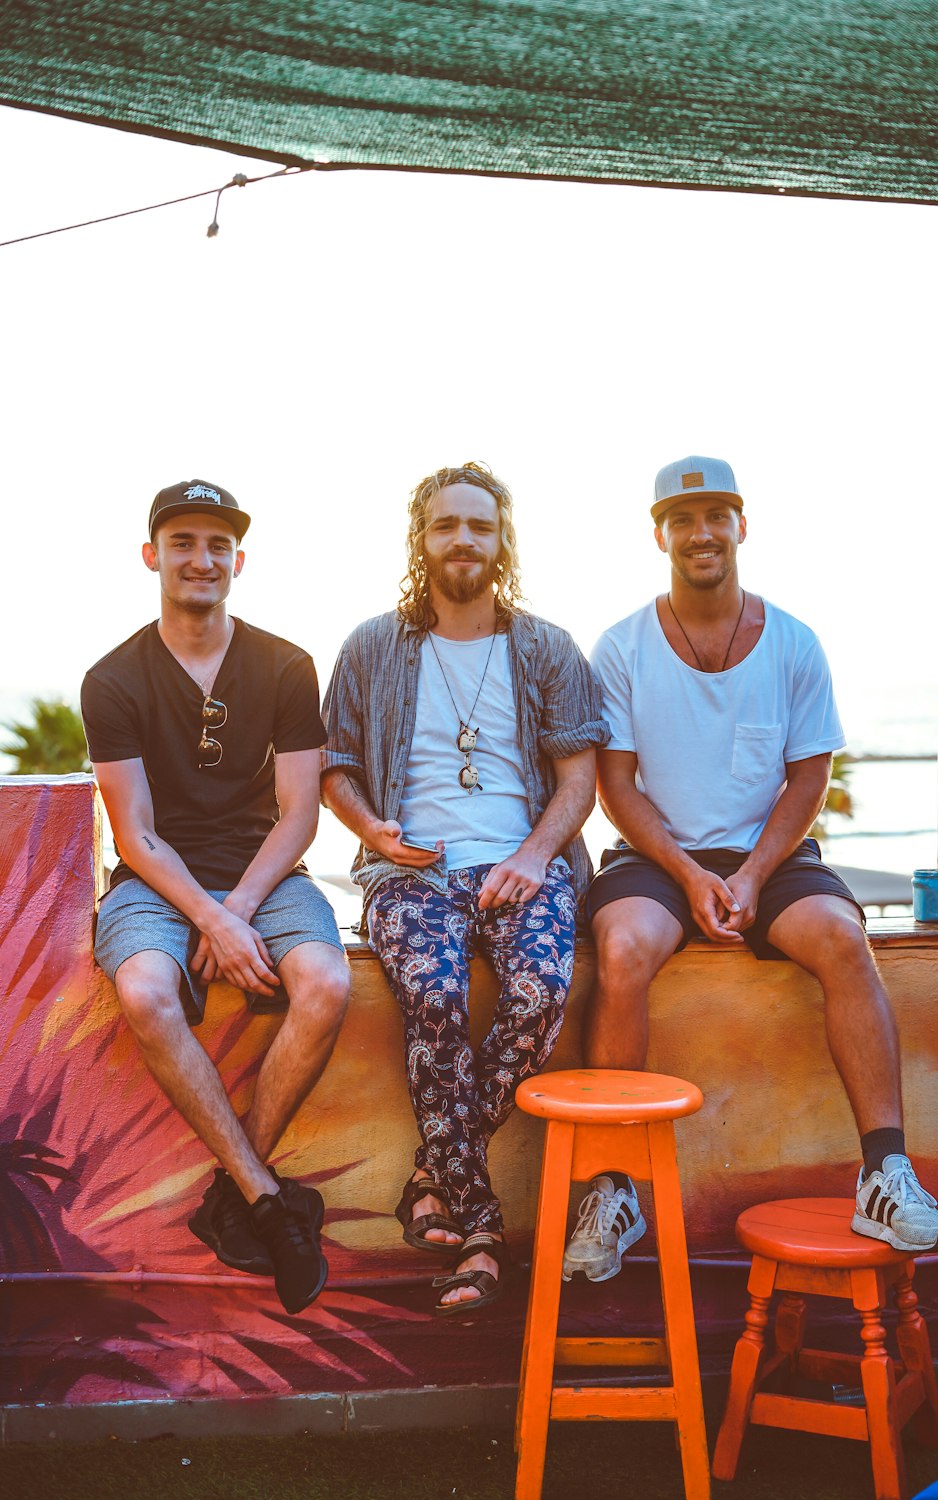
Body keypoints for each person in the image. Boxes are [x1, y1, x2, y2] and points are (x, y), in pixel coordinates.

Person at [562, 455, 938, 1283]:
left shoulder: (793, 643)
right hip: (654, 856)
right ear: (660, 533)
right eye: (683, 518)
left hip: (769, 858)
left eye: (716, 515)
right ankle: (612, 1186)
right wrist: (689, 873)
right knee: (624, 949)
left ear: (742, 524)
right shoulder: (623, 646)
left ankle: (884, 1173)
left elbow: (807, 778)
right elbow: (616, 785)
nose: (701, 533)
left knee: (846, 941)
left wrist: (746, 876)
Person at [321, 461, 607, 1316]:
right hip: (413, 872)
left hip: (527, 863)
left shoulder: (548, 647)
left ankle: (430, 1177)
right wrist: (374, 832)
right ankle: (483, 1230)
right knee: (435, 997)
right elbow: (336, 768)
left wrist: (533, 855)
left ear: (501, 539)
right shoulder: (373, 645)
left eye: (479, 526)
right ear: (423, 539)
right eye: (447, 526)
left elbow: (579, 780)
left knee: (539, 991)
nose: (463, 541)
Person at [82, 479, 350, 1315]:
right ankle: (271, 1205)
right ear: (152, 555)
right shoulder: (114, 678)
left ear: (239, 559)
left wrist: (236, 911)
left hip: (266, 872)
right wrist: (207, 914)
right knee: (146, 992)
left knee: (329, 984)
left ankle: (239, 1194)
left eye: (218, 545)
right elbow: (135, 834)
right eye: (184, 542)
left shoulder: (284, 664)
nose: (202, 558)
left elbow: (301, 812)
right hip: (159, 884)